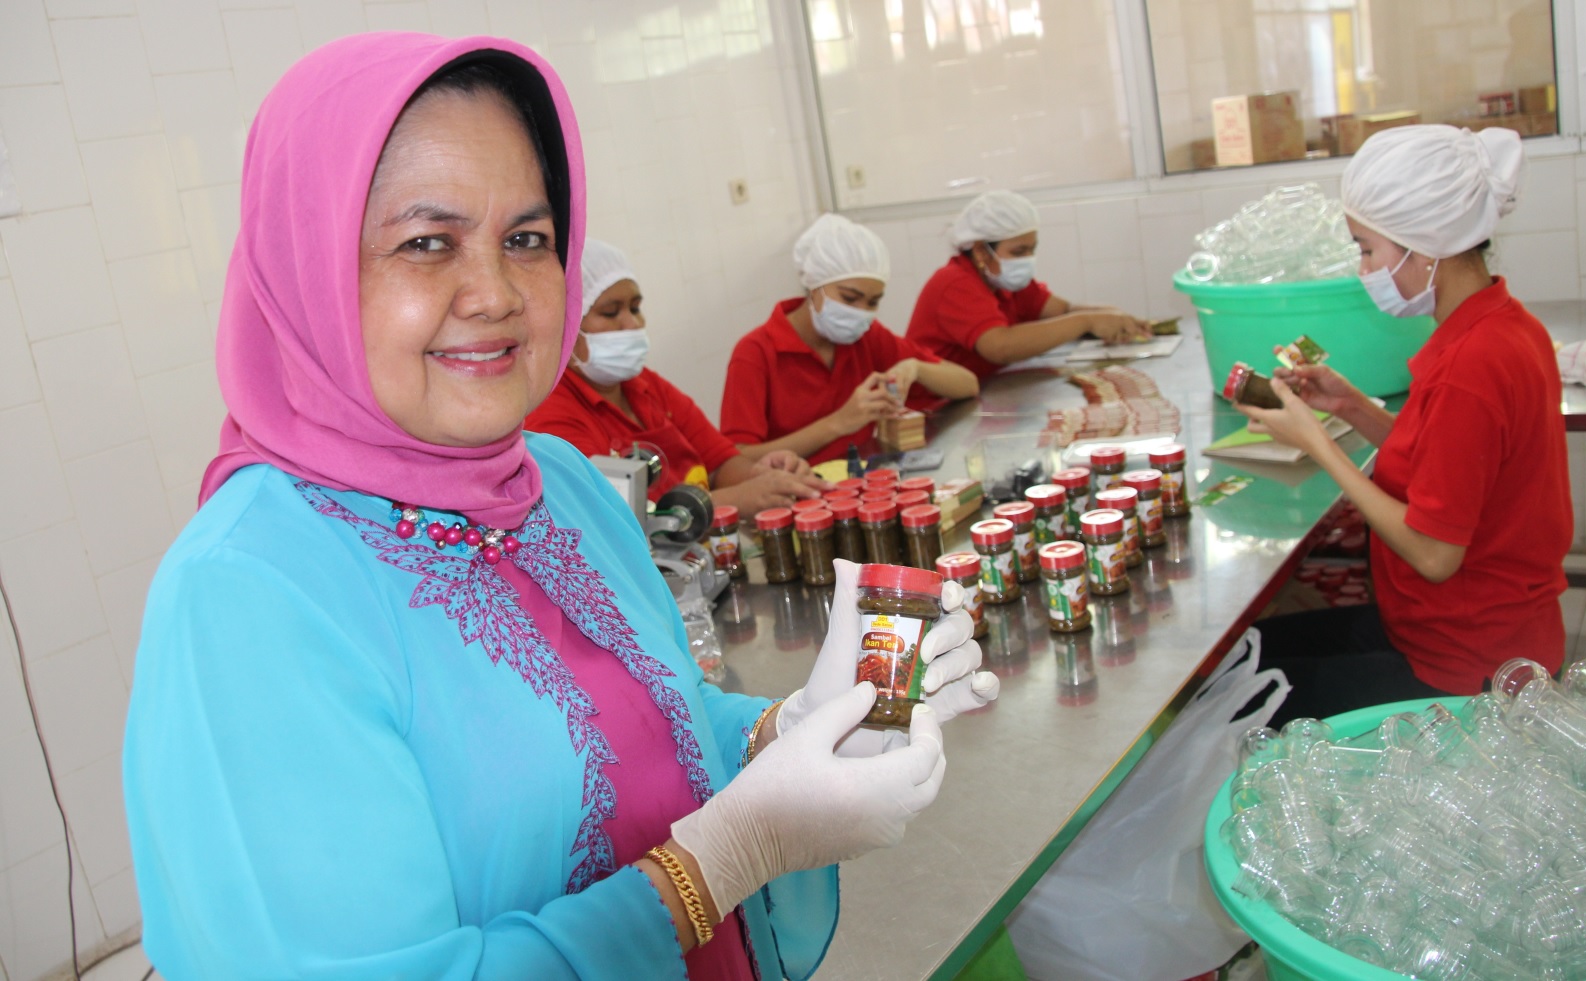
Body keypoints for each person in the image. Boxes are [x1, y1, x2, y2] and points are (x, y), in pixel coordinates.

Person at [123, 33, 997, 980]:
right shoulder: (250, 594)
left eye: (527, 240)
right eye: (426, 243)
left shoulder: (561, 481)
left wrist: (788, 729)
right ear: (308, 267)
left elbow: (653, 716)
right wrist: (730, 855)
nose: (496, 294)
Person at [1238, 125, 1571, 724]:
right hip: (1462, 628)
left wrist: (1316, 444)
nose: (1362, 266)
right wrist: (1350, 407)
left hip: (1466, 668)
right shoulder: (1500, 325)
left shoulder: (1472, 364)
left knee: (1245, 695)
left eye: (1367, 249)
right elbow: (1452, 467)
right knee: (1253, 653)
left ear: (1426, 248)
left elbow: (1434, 552)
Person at [525, 239, 828, 514]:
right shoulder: (550, 417)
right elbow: (619, 519)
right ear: (565, 322)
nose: (631, 323)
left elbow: (721, 461)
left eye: (635, 307)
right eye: (610, 312)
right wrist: (736, 499)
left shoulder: (643, 385)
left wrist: (764, 476)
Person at [720, 214, 979, 465]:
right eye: (849, 299)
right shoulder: (756, 352)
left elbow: (968, 384)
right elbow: (735, 460)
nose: (860, 313)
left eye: (873, 302)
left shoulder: (867, 336)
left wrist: (915, 368)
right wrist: (838, 423)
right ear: (813, 285)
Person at [906, 190, 1151, 382]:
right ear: (981, 250)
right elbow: (1000, 346)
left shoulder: (1002, 279)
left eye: (1031, 250)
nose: (1026, 260)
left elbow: (1062, 310)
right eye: (1018, 251)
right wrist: (1086, 321)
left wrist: (1112, 316)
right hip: (938, 410)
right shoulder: (954, 283)